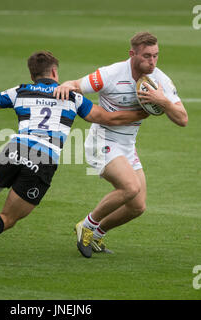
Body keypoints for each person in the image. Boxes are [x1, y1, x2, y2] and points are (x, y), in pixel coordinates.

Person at [0, 50, 147, 260]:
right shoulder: (72, 98)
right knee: (7, 218)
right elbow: (108, 118)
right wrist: (144, 112)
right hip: (43, 159)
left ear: (32, 75)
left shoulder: (20, 91)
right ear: (55, 72)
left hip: (15, 148)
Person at [54, 32, 188, 258]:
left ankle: (96, 235)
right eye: (147, 56)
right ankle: (86, 226)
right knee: (130, 187)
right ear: (132, 54)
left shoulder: (159, 80)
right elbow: (77, 84)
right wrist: (64, 86)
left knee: (138, 206)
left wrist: (161, 100)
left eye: (156, 56)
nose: (152, 61)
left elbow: (182, 119)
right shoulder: (112, 74)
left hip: (127, 146)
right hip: (102, 142)